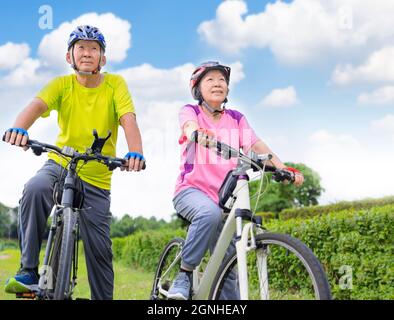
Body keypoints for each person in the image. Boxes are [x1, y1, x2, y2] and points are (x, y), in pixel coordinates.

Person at [3, 25, 145, 300]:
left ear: (102, 58)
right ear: (70, 56)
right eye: (81, 47)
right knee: (34, 189)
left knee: (100, 249)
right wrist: (18, 128)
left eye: (94, 48)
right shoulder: (61, 85)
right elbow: (36, 106)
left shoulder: (115, 84)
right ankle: (29, 269)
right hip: (61, 162)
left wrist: (135, 152)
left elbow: (128, 118)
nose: (88, 53)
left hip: (97, 175)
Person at [168, 61, 304, 300]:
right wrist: (197, 133)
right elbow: (188, 126)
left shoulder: (237, 119)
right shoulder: (191, 111)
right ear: (197, 88)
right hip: (191, 191)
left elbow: (256, 146)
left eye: (222, 80)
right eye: (210, 79)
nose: (218, 83)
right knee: (208, 214)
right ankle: (184, 274)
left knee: (228, 265)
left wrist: (284, 169)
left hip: (225, 199)